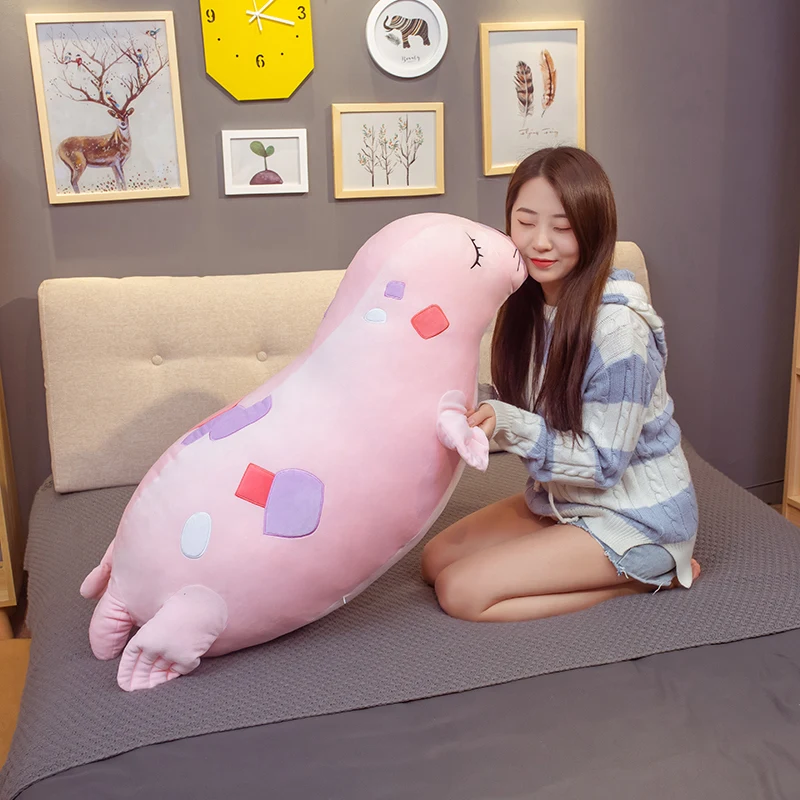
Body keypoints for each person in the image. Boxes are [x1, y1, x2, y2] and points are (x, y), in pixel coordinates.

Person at [421, 146, 700, 622]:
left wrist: (507, 424)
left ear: (593, 229)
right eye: (525, 222)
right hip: (563, 501)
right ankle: (580, 556)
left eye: (563, 227)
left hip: (636, 519)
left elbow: (603, 463)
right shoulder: (528, 304)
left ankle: (647, 577)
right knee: (434, 561)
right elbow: (523, 400)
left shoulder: (620, 330)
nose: (540, 242)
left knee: (460, 593)